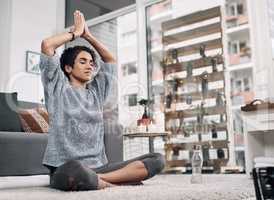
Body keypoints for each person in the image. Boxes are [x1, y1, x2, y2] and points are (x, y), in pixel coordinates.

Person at [40, 10, 165, 191]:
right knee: (77, 171)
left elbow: (110, 60)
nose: (90, 65)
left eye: (91, 62)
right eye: (83, 61)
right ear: (67, 68)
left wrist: (88, 36)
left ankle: (100, 180)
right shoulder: (57, 88)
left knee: (157, 159)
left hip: (99, 166)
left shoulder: (96, 92)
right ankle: (115, 180)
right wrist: (76, 33)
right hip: (66, 167)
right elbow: (47, 45)